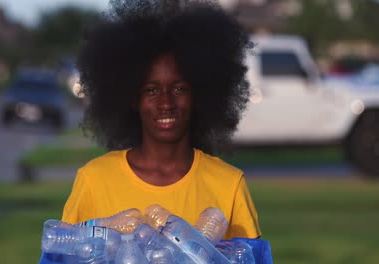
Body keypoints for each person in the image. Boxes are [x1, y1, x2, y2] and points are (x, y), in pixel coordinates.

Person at [62, 0, 261, 240]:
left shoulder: (228, 185)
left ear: (200, 93)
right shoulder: (94, 181)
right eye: (151, 90)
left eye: (179, 89)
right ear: (132, 98)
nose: (166, 103)